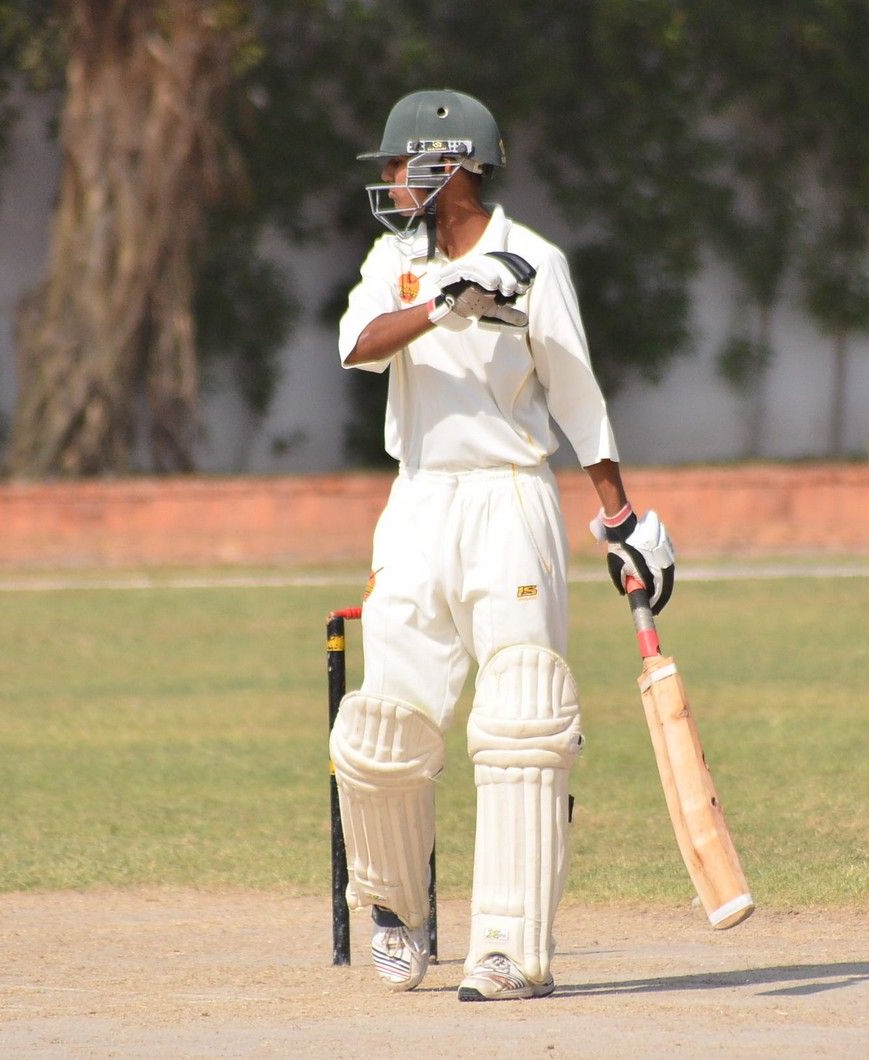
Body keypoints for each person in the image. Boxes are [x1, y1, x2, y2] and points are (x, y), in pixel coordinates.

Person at [330, 88, 675, 1002]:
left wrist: (621, 519)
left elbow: (578, 397)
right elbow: (358, 346)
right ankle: (396, 912)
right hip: (419, 501)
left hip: (511, 499)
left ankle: (509, 949)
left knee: (523, 721)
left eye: (400, 164)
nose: (391, 180)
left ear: (449, 166)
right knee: (382, 727)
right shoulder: (393, 262)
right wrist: (446, 304)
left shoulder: (537, 263)